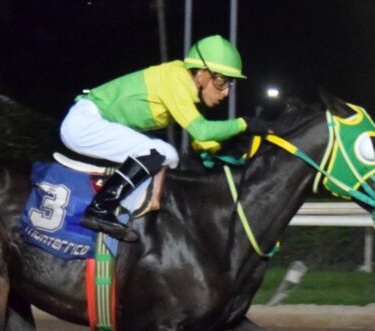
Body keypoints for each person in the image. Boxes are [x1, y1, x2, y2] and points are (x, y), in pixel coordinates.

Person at [60, 34, 269, 242]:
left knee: (170, 156)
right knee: (160, 151)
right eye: (221, 81)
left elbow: (203, 143)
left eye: (230, 84)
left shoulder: (185, 87)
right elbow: (202, 131)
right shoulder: (175, 80)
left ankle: (138, 209)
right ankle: (100, 208)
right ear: (202, 74)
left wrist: (235, 152)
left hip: (94, 123)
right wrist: (243, 124)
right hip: (84, 124)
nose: (225, 92)